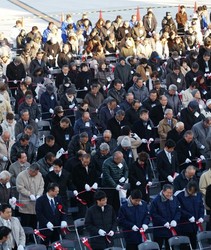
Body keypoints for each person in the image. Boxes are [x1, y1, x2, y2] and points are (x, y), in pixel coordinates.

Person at [150, 184, 181, 250]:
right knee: (158, 247)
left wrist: (175, 220)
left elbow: (178, 211)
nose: (170, 195)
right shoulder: (155, 201)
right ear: (163, 191)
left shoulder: (174, 199)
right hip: (160, 230)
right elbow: (153, 214)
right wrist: (163, 222)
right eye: (168, 193)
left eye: (171, 193)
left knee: (170, 247)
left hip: (171, 230)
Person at [175, 181, 204, 249]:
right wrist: (188, 216)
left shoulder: (198, 195)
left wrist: (201, 216)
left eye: (194, 192)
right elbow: (179, 209)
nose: (193, 194)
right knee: (184, 245)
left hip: (194, 225)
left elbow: (201, 206)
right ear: (187, 189)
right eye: (191, 192)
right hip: (184, 225)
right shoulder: (179, 196)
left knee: (194, 243)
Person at [16, 163, 44, 228]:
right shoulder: (21, 175)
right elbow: (20, 188)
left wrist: (39, 195)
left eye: (37, 172)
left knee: (34, 224)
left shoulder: (39, 175)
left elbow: (41, 186)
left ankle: (33, 237)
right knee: (25, 224)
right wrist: (29, 194)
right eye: (35, 173)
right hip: (25, 204)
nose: (37, 174)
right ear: (31, 171)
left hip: (36, 204)